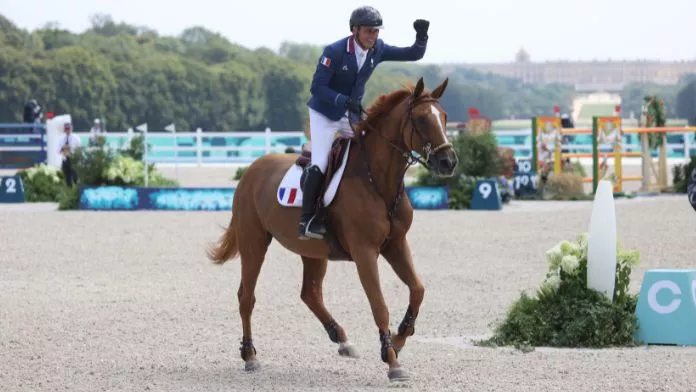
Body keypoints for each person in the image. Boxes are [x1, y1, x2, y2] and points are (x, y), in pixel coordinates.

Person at [298, 6, 430, 240]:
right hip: (325, 115)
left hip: (350, 115)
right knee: (320, 161)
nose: (373, 36)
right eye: (369, 31)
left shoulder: (377, 49)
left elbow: (412, 54)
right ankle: (307, 219)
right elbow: (317, 87)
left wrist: (421, 37)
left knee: (369, 150)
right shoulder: (335, 51)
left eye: (376, 32)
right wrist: (343, 100)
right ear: (355, 30)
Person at [58, 122, 82, 187]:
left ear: (72, 128)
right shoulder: (61, 138)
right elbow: (58, 150)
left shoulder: (76, 138)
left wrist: (71, 150)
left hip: (73, 160)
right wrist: (63, 148)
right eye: (66, 128)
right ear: (64, 129)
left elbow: (79, 150)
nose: (67, 130)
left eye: (69, 128)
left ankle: (78, 190)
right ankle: (69, 191)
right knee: (67, 178)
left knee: (75, 177)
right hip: (65, 159)